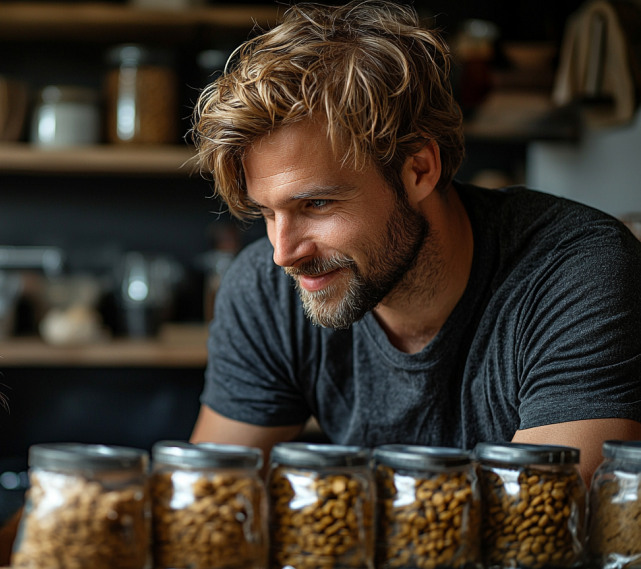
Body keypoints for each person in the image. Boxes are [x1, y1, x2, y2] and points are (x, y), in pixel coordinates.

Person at [188, 0, 641, 485]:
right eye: (267, 212)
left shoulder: (579, 272)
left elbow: (538, 530)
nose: (284, 252)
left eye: (316, 205)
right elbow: (206, 504)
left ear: (419, 169)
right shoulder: (264, 290)